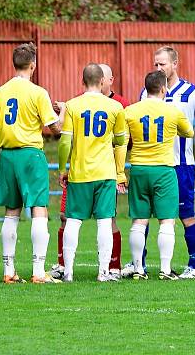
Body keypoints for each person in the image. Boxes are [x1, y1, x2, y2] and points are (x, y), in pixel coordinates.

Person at [126, 47, 195, 279]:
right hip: (154, 163)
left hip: (181, 164)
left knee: (186, 215)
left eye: (162, 64)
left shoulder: (191, 92)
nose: (158, 68)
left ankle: (194, 264)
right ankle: (138, 263)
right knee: (145, 216)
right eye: (156, 64)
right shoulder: (146, 92)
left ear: (175, 64)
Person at [0, 43, 66, 284]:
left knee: (11, 212)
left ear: (14, 64)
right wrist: (62, 112)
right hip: (31, 154)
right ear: (33, 65)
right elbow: (55, 128)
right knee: (38, 209)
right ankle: (38, 271)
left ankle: (8, 271)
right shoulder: (38, 92)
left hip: (7, 155)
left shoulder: (0, 92)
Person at [51, 63, 129, 280]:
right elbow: (121, 142)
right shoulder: (115, 107)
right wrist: (120, 171)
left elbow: (65, 141)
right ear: (102, 82)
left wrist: (62, 168)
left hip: (80, 172)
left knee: (73, 221)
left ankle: (68, 271)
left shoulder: (73, 105)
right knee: (104, 220)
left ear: (82, 81)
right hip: (105, 173)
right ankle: (104, 272)